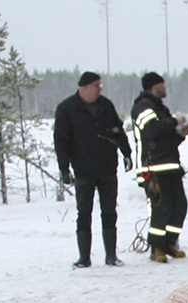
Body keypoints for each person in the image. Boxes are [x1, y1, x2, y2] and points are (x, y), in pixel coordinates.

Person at [55, 71, 133, 268]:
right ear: (84, 88)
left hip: (107, 168)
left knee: (109, 212)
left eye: (100, 85)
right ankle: (84, 257)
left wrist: (126, 153)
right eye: (96, 85)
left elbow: (118, 130)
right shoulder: (67, 108)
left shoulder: (106, 105)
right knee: (84, 213)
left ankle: (111, 256)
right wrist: (64, 169)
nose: (100, 89)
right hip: (83, 170)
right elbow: (61, 141)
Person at [132, 71, 188, 263]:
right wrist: (175, 122)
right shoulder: (143, 107)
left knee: (179, 206)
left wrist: (180, 134)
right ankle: (157, 247)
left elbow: (166, 139)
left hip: (170, 165)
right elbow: (151, 131)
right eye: (163, 85)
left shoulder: (160, 109)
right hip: (153, 168)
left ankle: (169, 243)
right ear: (154, 86)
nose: (165, 88)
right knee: (161, 207)